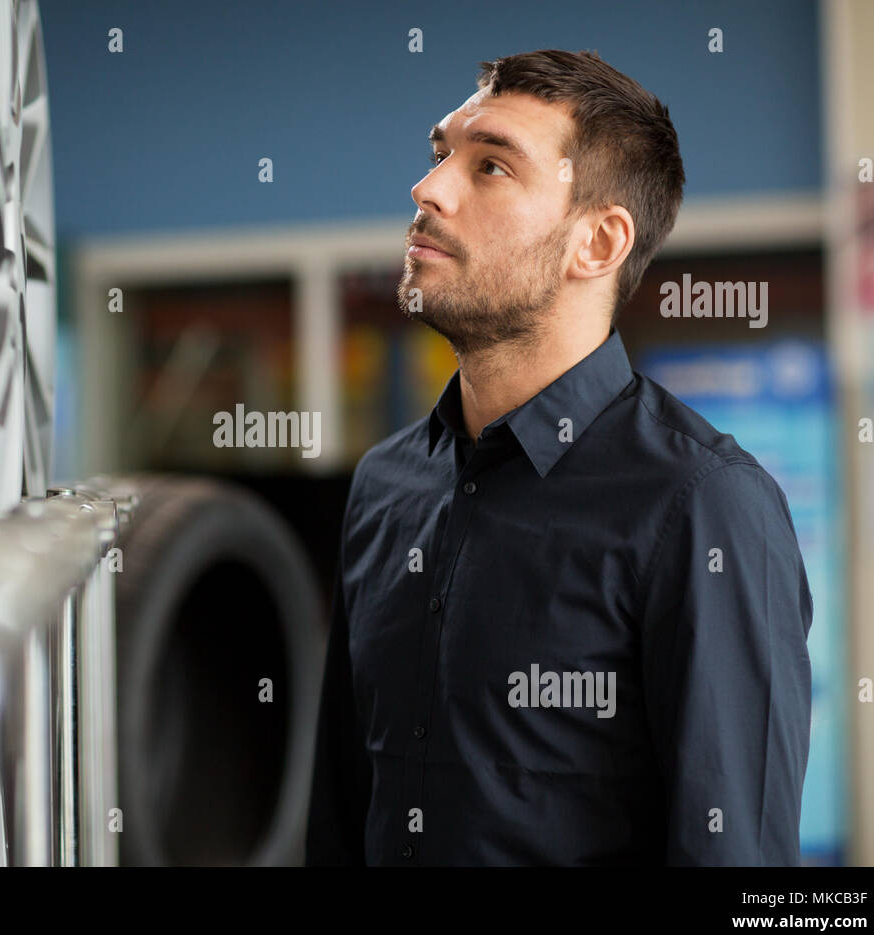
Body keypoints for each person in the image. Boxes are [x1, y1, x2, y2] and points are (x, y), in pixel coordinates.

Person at [305, 49, 813, 866]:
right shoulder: (385, 487)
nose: (428, 190)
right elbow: (339, 812)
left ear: (597, 242)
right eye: (441, 155)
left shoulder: (702, 504)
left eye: (493, 167)